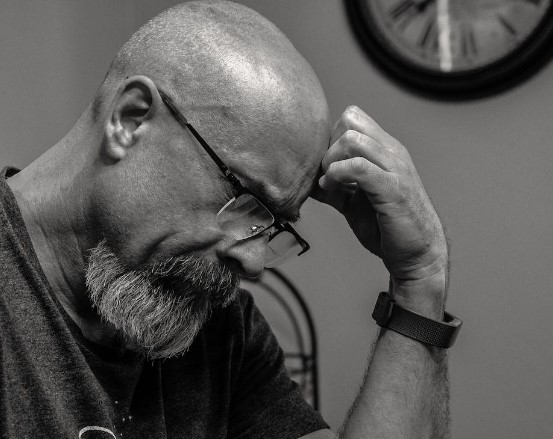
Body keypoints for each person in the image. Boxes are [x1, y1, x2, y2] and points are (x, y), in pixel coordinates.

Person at [0, 1, 458, 438]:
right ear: (130, 119)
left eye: (274, 224)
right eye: (244, 199)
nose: (255, 263)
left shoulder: (219, 327)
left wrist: (419, 277)